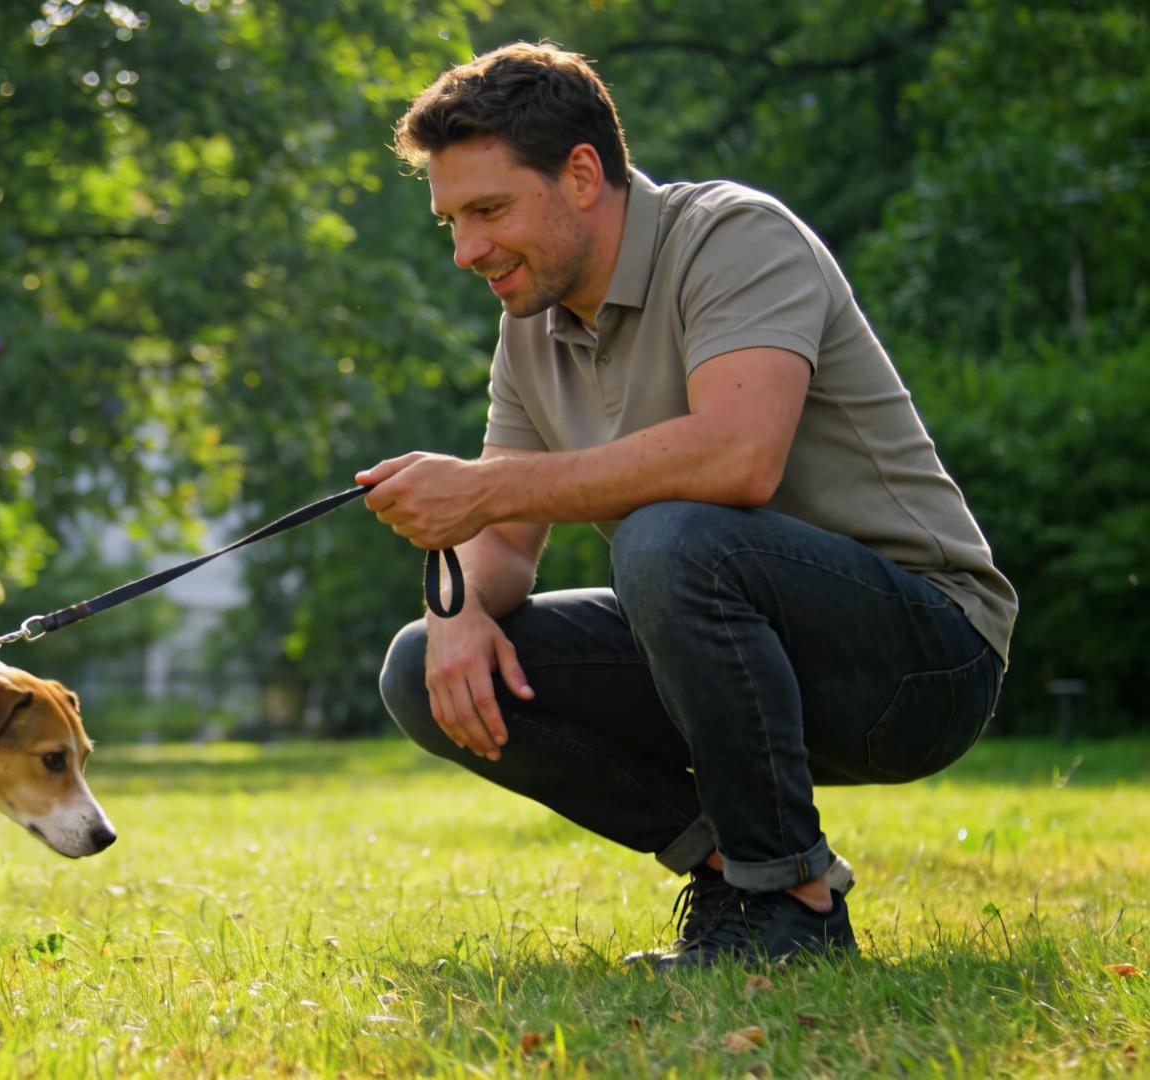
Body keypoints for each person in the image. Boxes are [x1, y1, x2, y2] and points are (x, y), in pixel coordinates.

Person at [357, 41, 1015, 969]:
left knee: (672, 538)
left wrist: (484, 488)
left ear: (582, 174)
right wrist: (452, 609)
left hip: (921, 664)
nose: (467, 250)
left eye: (489, 210)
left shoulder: (734, 235)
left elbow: (738, 457)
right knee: (422, 664)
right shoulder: (530, 330)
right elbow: (498, 543)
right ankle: (741, 872)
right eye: (451, 222)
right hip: (735, 660)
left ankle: (790, 904)